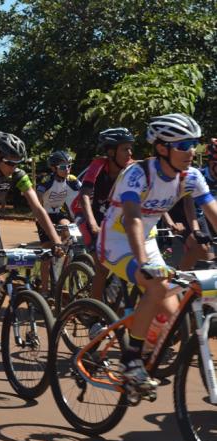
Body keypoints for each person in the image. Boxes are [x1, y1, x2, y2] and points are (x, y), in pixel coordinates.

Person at [98, 113, 217, 391]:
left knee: (171, 311)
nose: (191, 151)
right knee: (155, 284)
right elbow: (132, 218)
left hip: (146, 239)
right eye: (183, 145)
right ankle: (130, 360)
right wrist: (143, 263)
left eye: (193, 144)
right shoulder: (138, 173)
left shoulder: (191, 176)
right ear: (162, 148)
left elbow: (213, 214)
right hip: (117, 240)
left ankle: (146, 347)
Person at [0, 132, 63, 334]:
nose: (14, 167)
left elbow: (38, 208)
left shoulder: (18, 175)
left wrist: (56, 241)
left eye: (18, 163)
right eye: (10, 162)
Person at [71, 128, 135, 300]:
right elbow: (84, 196)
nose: (130, 153)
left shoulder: (131, 168)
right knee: (102, 267)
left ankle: (112, 298)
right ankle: (94, 316)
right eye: (125, 149)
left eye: (130, 148)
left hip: (108, 216)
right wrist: (92, 223)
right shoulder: (98, 165)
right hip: (85, 213)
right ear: (111, 152)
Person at [35, 150, 81, 295]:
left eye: (69, 166)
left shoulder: (72, 179)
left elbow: (84, 195)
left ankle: (61, 260)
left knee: (68, 228)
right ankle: (43, 290)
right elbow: (38, 198)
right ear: (54, 169)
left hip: (58, 213)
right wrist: (40, 216)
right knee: (47, 253)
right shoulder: (47, 180)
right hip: (44, 215)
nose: (67, 170)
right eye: (63, 167)